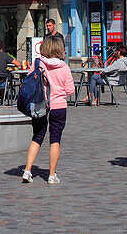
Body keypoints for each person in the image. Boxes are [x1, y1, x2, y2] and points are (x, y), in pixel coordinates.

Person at [21, 35, 75, 184]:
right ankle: (51, 175)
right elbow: (70, 90)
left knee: (37, 137)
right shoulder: (64, 67)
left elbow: (29, 80)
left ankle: (27, 170)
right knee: (55, 139)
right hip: (58, 105)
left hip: (40, 104)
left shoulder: (38, 63)